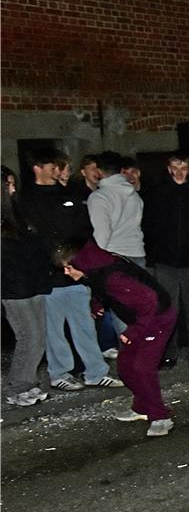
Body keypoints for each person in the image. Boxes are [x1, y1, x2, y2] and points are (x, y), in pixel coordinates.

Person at [15, 147, 121, 391]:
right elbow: (32, 239)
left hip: (76, 273)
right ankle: (60, 372)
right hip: (48, 276)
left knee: (83, 324)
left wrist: (79, 261)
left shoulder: (69, 194)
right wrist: (52, 260)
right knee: (54, 329)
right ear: (37, 168)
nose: (56, 169)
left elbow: (84, 231)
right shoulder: (26, 199)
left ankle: (95, 372)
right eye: (50, 164)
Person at [54, 239, 178, 436]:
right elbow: (99, 287)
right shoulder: (96, 270)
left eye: (68, 268)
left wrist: (134, 331)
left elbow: (150, 302)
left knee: (142, 368)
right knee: (126, 366)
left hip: (158, 319)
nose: (66, 273)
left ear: (80, 263)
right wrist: (98, 305)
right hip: (143, 318)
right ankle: (141, 408)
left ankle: (160, 416)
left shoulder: (114, 277)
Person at [141, 152, 189, 368]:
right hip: (165, 263)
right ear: (168, 169)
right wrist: (153, 256)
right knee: (168, 309)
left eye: (183, 167)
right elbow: (148, 227)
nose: (179, 172)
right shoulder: (156, 194)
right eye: (175, 167)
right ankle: (169, 352)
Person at [2, 186, 52, 406]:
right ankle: (18, 386)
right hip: (14, 288)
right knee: (28, 336)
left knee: (39, 337)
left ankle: (28, 382)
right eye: (9, 185)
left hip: (33, 282)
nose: (14, 188)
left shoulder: (18, 213)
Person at [88, 151, 145, 266]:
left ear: (99, 171)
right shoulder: (134, 194)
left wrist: (95, 259)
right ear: (120, 170)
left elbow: (102, 232)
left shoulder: (100, 197)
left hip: (113, 255)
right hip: (137, 253)